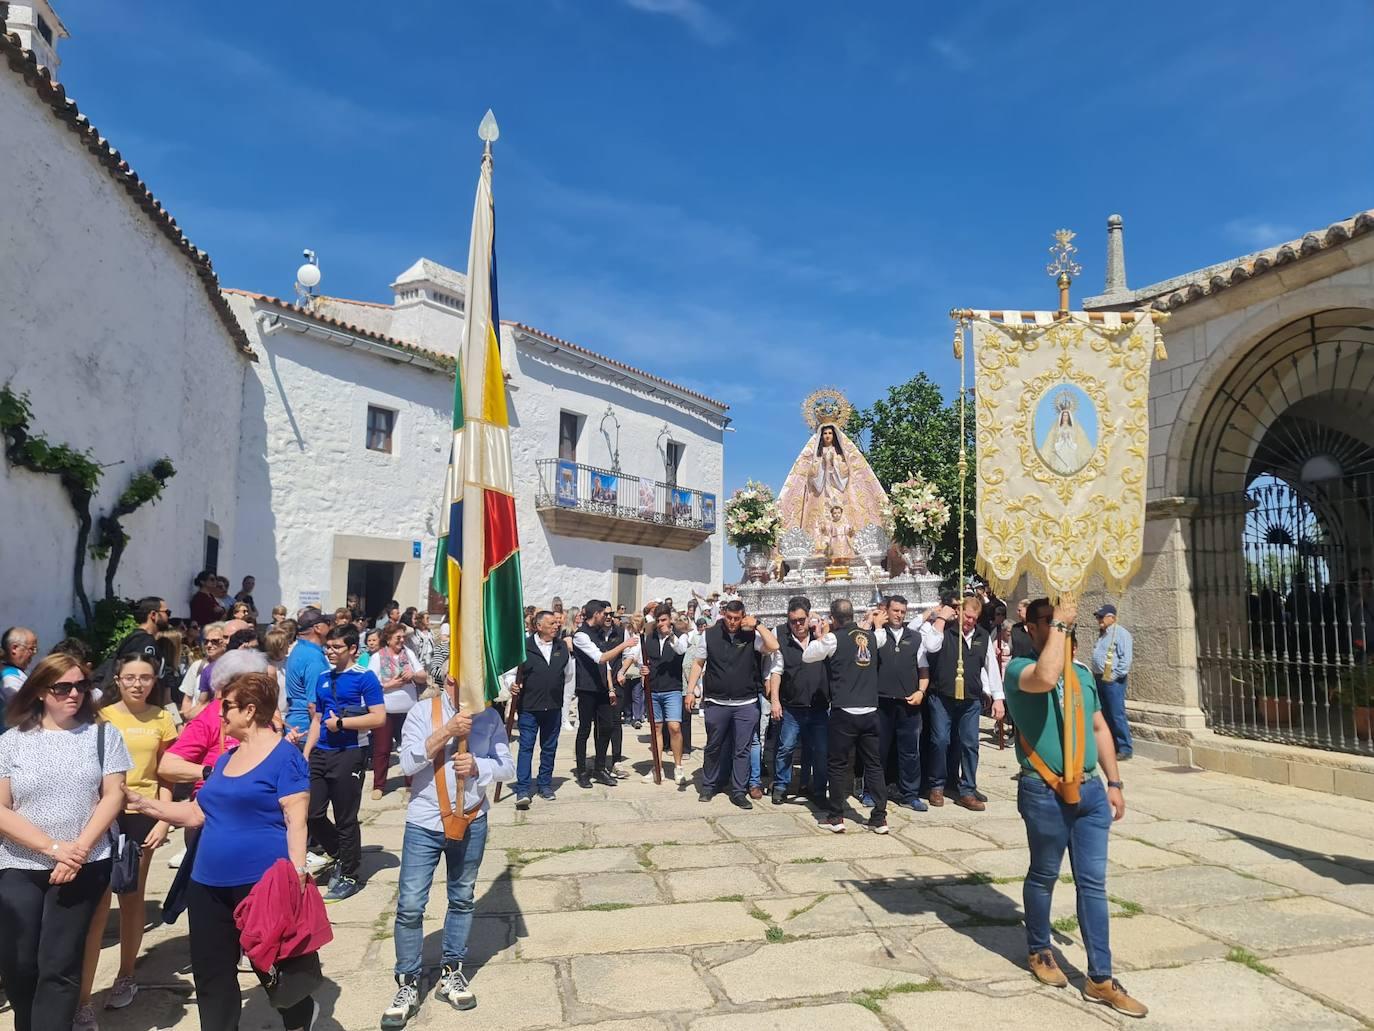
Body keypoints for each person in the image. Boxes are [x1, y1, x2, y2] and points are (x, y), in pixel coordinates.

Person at [125, 672, 319, 1031]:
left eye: (226, 707)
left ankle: (299, 1018)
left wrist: (297, 877)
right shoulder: (227, 759)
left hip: (261, 886)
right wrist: (142, 803)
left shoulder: (284, 756)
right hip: (206, 884)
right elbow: (197, 813)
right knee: (212, 974)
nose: (220, 715)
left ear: (249, 710)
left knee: (273, 967)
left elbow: (297, 820)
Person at [1005, 596, 1145, 1017]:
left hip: (1090, 792)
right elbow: (1046, 677)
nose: (1056, 626)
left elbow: (1100, 725)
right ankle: (1039, 948)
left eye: (1060, 620)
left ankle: (1100, 977)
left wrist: (1115, 781)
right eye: (1045, 621)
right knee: (1045, 874)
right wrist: (1061, 624)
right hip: (1044, 791)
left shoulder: (1083, 673)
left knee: (1094, 885)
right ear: (1031, 629)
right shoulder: (1019, 670)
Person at [0, 653, 130, 1031]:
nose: (74, 693)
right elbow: (2, 808)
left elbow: (113, 796)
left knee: (60, 965)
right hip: (19, 864)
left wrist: (77, 852)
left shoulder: (104, 735)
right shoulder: (11, 742)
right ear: (41, 691)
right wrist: (52, 848)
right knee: (20, 964)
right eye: (63, 687)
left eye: (81, 685)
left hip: (85, 864)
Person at [381, 675, 514, 1028]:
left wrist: (479, 766)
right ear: (448, 679)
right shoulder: (423, 711)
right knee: (410, 904)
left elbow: (508, 767)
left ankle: (451, 971)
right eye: (460, 677)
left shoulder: (490, 717)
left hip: (472, 820)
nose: (469, 685)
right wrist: (446, 732)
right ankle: (407, 981)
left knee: (462, 897)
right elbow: (408, 764)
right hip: (425, 821)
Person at [76, 655, 178, 1023]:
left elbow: (166, 775)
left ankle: (126, 976)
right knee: (99, 905)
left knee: (132, 897)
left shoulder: (163, 718)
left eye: (145, 678)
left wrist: (163, 820)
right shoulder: (100, 718)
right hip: (104, 813)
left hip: (142, 815)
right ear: (117, 680)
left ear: (155, 680)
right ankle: (84, 998)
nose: (138, 684)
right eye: (130, 677)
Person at [305, 626, 386, 902]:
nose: (330, 651)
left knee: (345, 817)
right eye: (328, 647)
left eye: (337, 647)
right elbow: (316, 719)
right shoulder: (323, 677)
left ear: (352, 649)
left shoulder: (365, 678)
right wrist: (306, 752)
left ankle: (350, 874)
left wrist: (342, 723)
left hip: (350, 752)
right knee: (311, 812)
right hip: (321, 751)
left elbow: (378, 718)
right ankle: (340, 853)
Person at [801, 599, 890, 833]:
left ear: (833, 618)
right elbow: (881, 638)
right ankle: (879, 817)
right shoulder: (870, 637)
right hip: (870, 710)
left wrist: (821, 633)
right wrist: (876, 624)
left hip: (844, 712)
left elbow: (808, 655)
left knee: (838, 765)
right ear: (852, 615)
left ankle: (836, 816)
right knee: (874, 764)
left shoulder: (833, 639)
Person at [686, 600, 779, 810]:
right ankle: (709, 785)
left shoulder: (750, 635)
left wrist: (757, 624)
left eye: (737, 619)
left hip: (745, 702)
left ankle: (738, 791)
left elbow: (773, 646)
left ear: (743, 616)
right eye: (729, 617)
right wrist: (690, 691)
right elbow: (698, 663)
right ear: (723, 614)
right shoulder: (709, 634)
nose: (732, 622)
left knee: (742, 749)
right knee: (713, 746)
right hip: (716, 702)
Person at [919, 596, 1003, 811]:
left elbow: (990, 667)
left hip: (970, 700)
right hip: (942, 697)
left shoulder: (982, 636)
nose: (970, 622)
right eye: (967, 616)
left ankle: (967, 789)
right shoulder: (944, 630)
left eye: (974, 618)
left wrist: (998, 697)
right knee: (940, 741)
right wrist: (941, 619)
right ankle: (936, 785)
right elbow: (930, 645)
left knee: (969, 744)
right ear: (959, 613)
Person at [768, 597, 829, 806]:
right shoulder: (782, 639)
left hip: (819, 706)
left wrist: (819, 627)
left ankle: (819, 790)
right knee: (786, 748)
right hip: (792, 706)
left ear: (808, 617)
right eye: (793, 621)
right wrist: (774, 701)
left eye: (801, 620)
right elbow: (776, 672)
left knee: (820, 750)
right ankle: (781, 786)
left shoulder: (820, 635)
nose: (798, 625)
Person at [571, 602, 638, 789]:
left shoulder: (600, 634)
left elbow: (606, 666)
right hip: (587, 689)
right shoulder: (581, 635)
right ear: (596, 614)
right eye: (604, 614)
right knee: (585, 729)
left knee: (607, 726)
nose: (607, 617)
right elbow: (600, 657)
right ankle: (582, 771)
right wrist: (625, 644)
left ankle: (600, 768)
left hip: (602, 689)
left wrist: (610, 688)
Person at [511, 611, 574, 807]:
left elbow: (568, 675)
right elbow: (510, 673)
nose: (556, 626)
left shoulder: (561, 647)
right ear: (538, 626)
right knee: (526, 747)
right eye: (551, 623)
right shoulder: (523, 647)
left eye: (557, 623)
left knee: (549, 748)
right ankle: (522, 789)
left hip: (553, 707)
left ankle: (545, 784)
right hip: (529, 707)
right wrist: (510, 685)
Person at [873, 596, 927, 813]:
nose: (899, 615)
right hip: (881, 701)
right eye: (895, 610)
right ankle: (872, 792)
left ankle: (910, 794)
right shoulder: (875, 635)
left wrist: (921, 691)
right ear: (886, 610)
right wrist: (875, 625)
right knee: (878, 750)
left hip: (908, 702)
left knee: (909, 751)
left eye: (903, 612)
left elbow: (923, 668)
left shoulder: (915, 637)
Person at [369, 623, 428, 798]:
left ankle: (412, 781)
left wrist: (414, 675)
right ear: (388, 639)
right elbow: (370, 684)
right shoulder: (377, 657)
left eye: (403, 637)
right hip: (385, 711)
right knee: (382, 748)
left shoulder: (408, 654)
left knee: (410, 746)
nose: (402, 640)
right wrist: (389, 685)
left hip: (409, 710)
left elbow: (423, 675)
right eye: (398, 638)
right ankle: (379, 785)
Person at [642, 605, 692, 785]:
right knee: (656, 729)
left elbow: (680, 650)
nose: (661, 624)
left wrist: (670, 635)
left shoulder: (680, 636)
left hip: (672, 689)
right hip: (654, 688)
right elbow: (644, 659)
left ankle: (678, 767)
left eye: (664, 620)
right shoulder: (650, 638)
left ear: (670, 619)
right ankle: (657, 766)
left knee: (674, 727)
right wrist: (644, 668)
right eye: (658, 621)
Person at [1091, 604, 1135, 761]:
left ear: (1112, 618)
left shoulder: (1121, 634)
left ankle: (1124, 747)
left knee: (1116, 713)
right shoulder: (1103, 634)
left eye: (1101, 617)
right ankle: (1110, 746)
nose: (1099, 620)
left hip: (1112, 680)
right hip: (1099, 678)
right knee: (1104, 713)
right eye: (1097, 617)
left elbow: (1125, 659)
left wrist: (1114, 675)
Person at [283, 608, 331, 746]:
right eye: (327, 622)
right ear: (318, 628)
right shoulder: (313, 657)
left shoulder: (300, 649)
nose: (331, 626)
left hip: (296, 727)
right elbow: (313, 705)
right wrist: (322, 736)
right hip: (307, 731)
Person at [1, 626, 38, 712]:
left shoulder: (15, 672)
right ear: (14, 648)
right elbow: (25, 708)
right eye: (31, 649)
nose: (34, 653)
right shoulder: (9, 679)